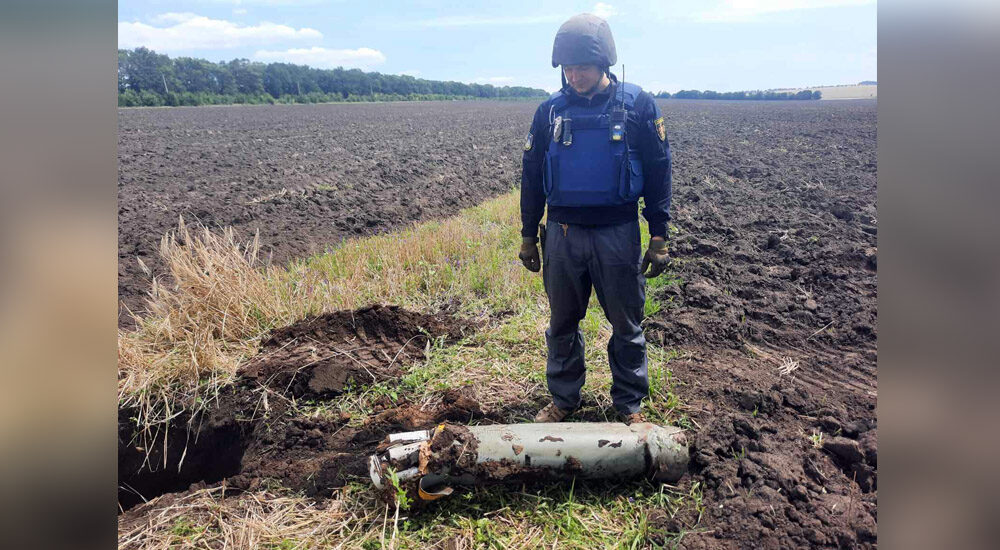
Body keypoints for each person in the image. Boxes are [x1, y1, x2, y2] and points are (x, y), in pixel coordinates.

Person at [519, 13, 672, 425]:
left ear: (604, 63)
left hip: (618, 234)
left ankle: (629, 406)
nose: (575, 75)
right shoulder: (548, 111)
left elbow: (660, 172)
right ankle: (564, 401)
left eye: (582, 67)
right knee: (562, 324)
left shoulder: (639, 105)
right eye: (567, 68)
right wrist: (528, 236)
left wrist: (659, 236)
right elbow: (531, 176)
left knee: (626, 324)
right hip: (563, 236)